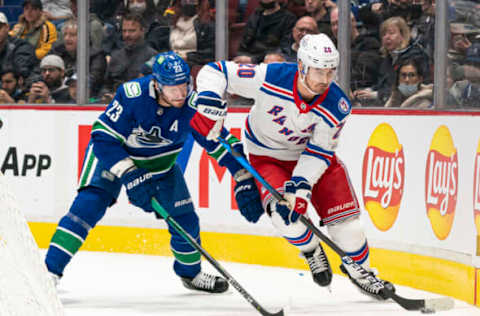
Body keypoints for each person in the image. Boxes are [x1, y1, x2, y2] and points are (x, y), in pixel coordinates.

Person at [189, 33, 395, 300]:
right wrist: (208, 102)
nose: (324, 79)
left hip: (313, 160)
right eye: (318, 71)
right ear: (301, 66)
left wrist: (301, 186)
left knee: (349, 229)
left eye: (330, 71)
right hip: (268, 157)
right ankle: (311, 249)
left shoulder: (337, 105)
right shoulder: (270, 77)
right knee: (283, 218)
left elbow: (320, 150)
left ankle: (363, 273)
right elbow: (215, 71)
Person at [44, 51, 264, 293]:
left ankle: (190, 274)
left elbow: (218, 143)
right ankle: (49, 272)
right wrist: (129, 174)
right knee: (86, 208)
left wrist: (242, 176)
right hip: (113, 157)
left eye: (184, 85)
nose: (180, 93)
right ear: (157, 84)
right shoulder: (132, 95)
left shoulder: (194, 104)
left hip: (161, 165)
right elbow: (103, 138)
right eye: (173, 88)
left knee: (185, 220)